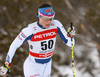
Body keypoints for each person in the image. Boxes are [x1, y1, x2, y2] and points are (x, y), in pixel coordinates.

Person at [0, 3, 75, 77]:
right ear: (39, 16)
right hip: (33, 66)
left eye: (51, 18)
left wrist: (70, 35)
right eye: (46, 18)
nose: (49, 21)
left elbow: (70, 43)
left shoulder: (56, 24)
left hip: (47, 66)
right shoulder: (30, 30)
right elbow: (14, 45)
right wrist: (7, 64)